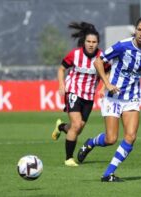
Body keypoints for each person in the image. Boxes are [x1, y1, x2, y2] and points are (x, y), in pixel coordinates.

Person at [77, 16, 141, 182]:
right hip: (113, 97)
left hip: (132, 98)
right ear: (135, 29)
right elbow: (98, 62)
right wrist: (106, 84)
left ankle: (108, 173)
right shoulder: (122, 46)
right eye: (139, 29)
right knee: (111, 139)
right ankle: (90, 143)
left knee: (130, 136)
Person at [51, 21, 110, 166]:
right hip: (73, 91)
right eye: (88, 41)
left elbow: (107, 70)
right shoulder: (75, 54)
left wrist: (103, 87)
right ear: (84, 42)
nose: (91, 44)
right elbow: (61, 69)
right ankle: (68, 159)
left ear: (98, 43)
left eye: (94, 42)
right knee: (76, 125)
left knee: (77, 129)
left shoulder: (102, 57)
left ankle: (61, 127)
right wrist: (61, 84)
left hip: (89, 96)